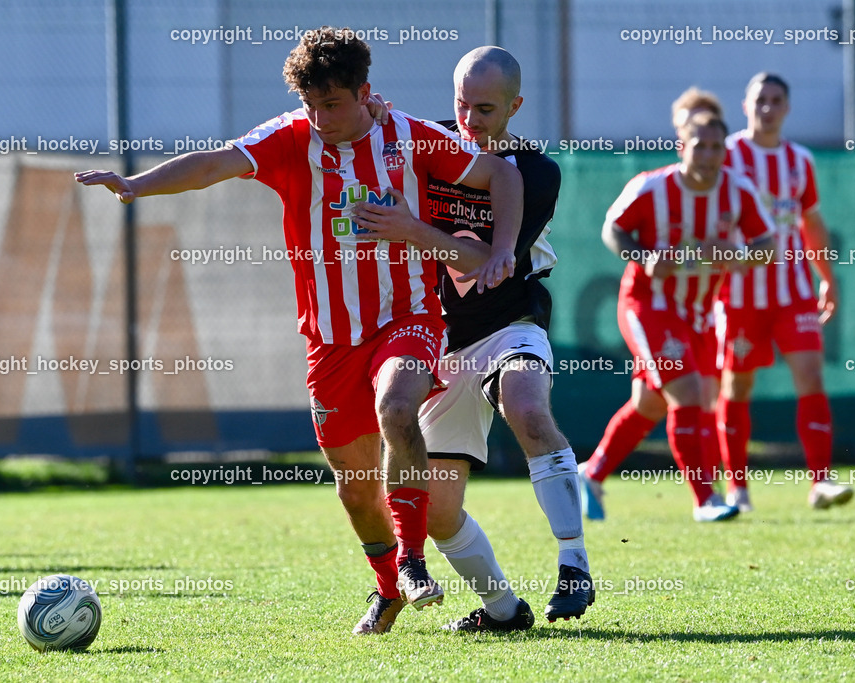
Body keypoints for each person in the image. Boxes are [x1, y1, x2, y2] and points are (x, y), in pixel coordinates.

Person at [74, 26, 525, 633]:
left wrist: (502, 251)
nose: (319, 117)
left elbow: (501, 175)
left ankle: (415, 560)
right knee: (355, 490)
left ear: (366, 93)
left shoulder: (408, 136)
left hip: (407, 317)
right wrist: (136, 184)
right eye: (311, 104)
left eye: (332, 104)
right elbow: (212, 164)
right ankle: (388, 586)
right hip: (329, 341)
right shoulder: (291, 138)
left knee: (397, 406)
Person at [353, 46, 593, 633]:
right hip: (434, 339)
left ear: (515, 105)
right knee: (436, 509)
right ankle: (504, 609)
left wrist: (413, 229)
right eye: (462, 104)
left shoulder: (536, 173)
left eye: (486, 108)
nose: (471, 120)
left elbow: (491, 261)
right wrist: (371, 117)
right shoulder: (424, 143)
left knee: (528, 407)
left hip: (509, 323)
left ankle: (574, 562)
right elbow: (366, 143)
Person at [580, 112, 777, 523]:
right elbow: (612, 229)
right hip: (648, 305)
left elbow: (767, 246)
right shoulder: (653, 187)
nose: (707, 155)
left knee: (650, 403)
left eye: (715, 147)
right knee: (689, 392)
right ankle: (705, 499)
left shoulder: (738, 191)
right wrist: (646, 258)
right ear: (681, 147)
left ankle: (592, 473)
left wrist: (736, 254)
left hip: (699, 314)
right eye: (699, 146)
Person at [717, 73, 853, 511]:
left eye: (776, 100)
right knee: (737, 386)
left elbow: (811, 223)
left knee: (811, 374)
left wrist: (827, 278)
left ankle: (821, 482)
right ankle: (737, 488)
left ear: (787, 107)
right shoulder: (727, 154)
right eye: (760, 100)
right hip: (737, 294)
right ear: (745, 105)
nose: (768, 108)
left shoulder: (800, 160)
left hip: (792, 291)